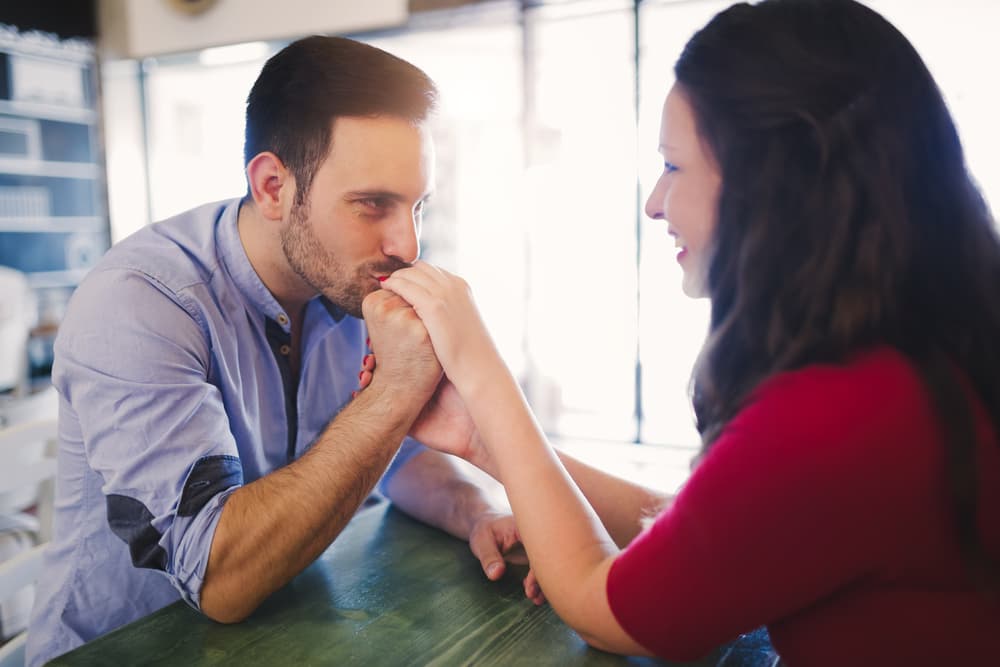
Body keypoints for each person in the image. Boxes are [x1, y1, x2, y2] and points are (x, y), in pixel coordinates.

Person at [375, 1, 1000, 664]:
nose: (653, 202)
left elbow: (603, 608)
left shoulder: (840, 414)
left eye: (673, 166)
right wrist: (482, 435)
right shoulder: (907, 359)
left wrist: (479, 362)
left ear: (771, 180)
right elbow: (704, 525)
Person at [26, 36, 524, 666]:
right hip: (116, 651)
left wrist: (475, 509)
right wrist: (394, 390)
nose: (407, 244)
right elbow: (220, 581)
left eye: (416, 206)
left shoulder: (346, 282)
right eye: (373, 204)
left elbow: (396, 458)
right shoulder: (139, 304)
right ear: (271, 187)